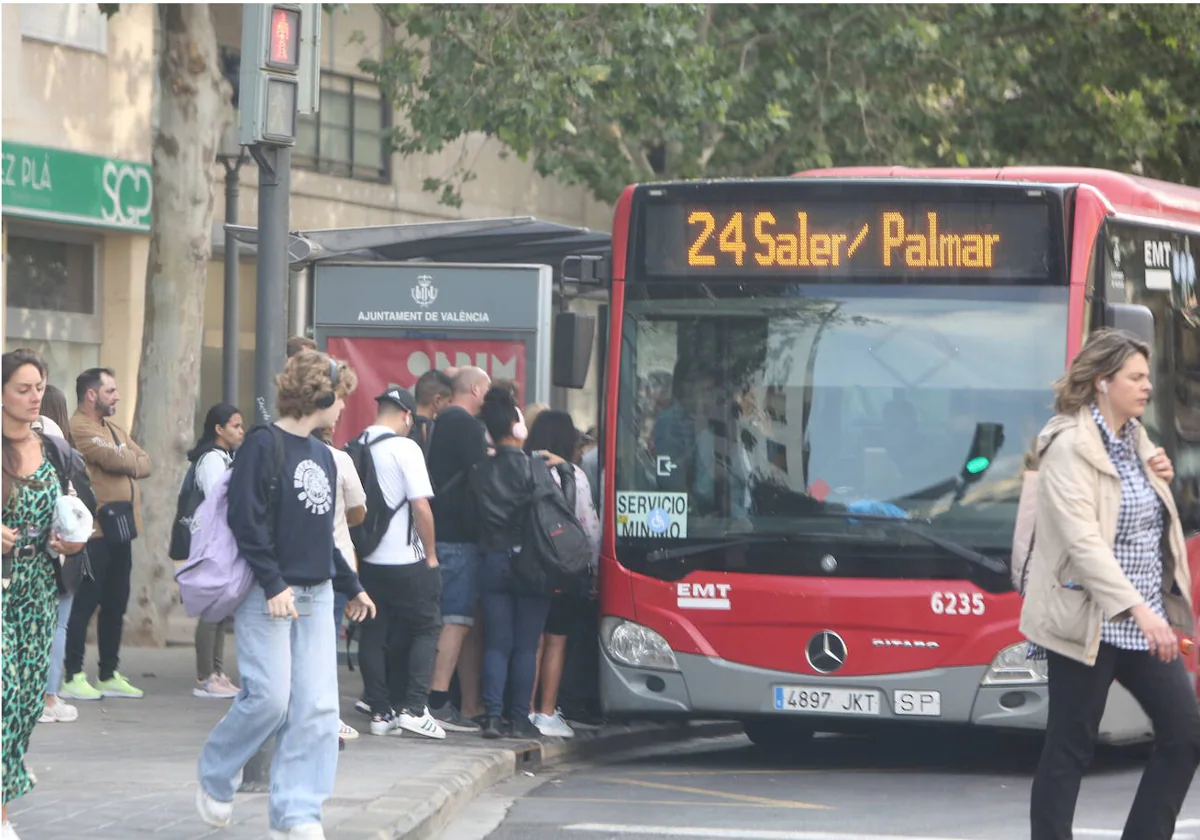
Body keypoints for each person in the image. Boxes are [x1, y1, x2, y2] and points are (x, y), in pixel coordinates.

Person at [1021, 329, 1199, 840]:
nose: (1147, 386)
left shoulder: (1135, 439)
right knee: (1070, 747)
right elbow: (1084, 545)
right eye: (1135, 377)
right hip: (1088, 621)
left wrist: (1158, 477)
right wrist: (1140, 610)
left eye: (1147, 376)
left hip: (1144, 624)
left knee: (1184, 734)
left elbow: (1147, 525)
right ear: (1103, 382)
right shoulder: (1068, 447)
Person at [195, 350, 376, 840]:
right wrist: (274, 584)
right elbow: (245, 521)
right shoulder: (263, 443)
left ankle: (297, 815)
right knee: (271, 699)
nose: (342, 410)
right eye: (339, 399)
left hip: (316, 597)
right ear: (321, 395)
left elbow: (322, 536)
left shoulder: (325, 456)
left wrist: (352, 585)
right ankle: (215, 775)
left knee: (317, 710)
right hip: (268, 594)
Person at [2, 350, 87, 840]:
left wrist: (68, 540)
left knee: (27, 703)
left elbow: (69, 511)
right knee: (3, 694)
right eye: (23, 388)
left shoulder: (51, 445)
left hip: (37, 590)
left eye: (39, 387)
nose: (35, 397)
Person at [352, 387, 444, 739]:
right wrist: (431, 555)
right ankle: (415, 708)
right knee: (427, 626)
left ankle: (379, 711)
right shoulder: (406, 447)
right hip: (406, 560)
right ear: (406, 416)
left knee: (373, 632)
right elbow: (421, 507)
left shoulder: (354, 445)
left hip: (368, 560)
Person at [471, 387, 562, 739]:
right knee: (526, 645)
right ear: (516, 426)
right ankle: (519, 718)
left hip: (493, 559)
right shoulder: (535, 468)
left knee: (496, 643)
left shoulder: (480, 471)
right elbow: (551, 512)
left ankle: (492, 717)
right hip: (532, 562)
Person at [61, 367, 152, 701]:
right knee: (85, 603)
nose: (116, 397)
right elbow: (114, 459)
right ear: (91, 394)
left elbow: (145, 462)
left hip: (122, 530)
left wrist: (127, 457)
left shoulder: (112, 428)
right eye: (110, 391)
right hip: (95, 533)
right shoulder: (80, 428)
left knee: (116, 602)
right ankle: (72, 674)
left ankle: (109, 673)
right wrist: (127, 458)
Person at [525, 411, 601, 739]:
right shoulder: (575, 476)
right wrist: (594, 570)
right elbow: (589, 529)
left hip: (528, 566)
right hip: (565, 569)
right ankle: (546, 711)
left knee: (530, 642)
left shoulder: (523, 470)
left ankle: (523, 709)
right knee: (556, 641)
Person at [425, 366, 492, 732]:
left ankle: (468, 705)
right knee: (455, 619)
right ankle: (438, 700)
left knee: (462, 622)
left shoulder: (440, 422)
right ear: (477, 389)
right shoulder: (465, 425)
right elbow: (481, 476)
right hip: (458, 538)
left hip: (442, 533)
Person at [34, 384, 88, 724]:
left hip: (45, 551)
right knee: (57, 625)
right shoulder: (65, 451)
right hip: (59, 553)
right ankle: (48, 696)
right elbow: (83, 504)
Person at [188, 403, 246, 700]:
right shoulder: (212, 460)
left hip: (222, 542)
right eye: (235, 426)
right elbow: (217, 501)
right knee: (212, 609)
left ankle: (217, 672)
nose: (241, 431)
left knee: (221, 609)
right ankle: (205, 675)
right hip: (212, 544)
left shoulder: (225, 458)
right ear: (219, 429)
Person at [315, 422, 367, 742]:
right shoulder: (340, 459)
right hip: (337, 561)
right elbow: (359, 511)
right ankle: (327, 716)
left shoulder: (285, 456)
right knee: (325, 640)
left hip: (296, 565)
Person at [411, 369, 453, 455]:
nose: (450, 405)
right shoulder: (429, 430)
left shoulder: (400, 423)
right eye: (449, 401)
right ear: (437, 400)